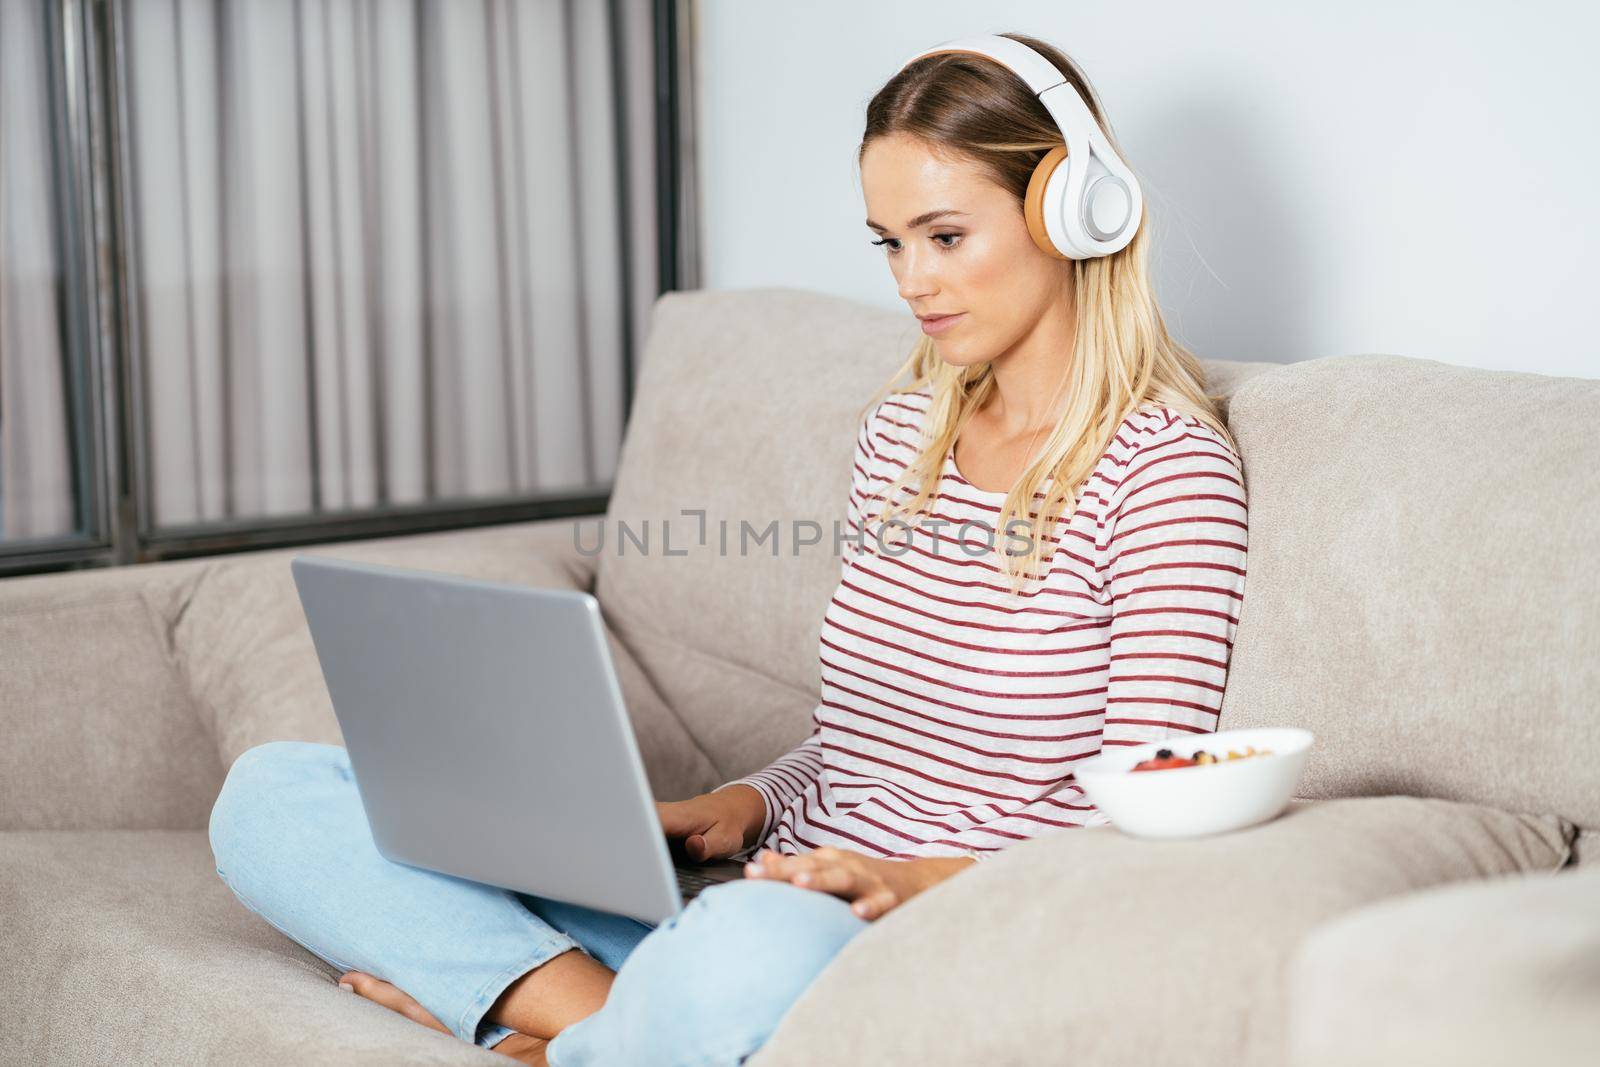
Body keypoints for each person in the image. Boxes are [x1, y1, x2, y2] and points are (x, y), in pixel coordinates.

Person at [207, 30, 1248, 1067]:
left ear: (1073, 208)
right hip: (760, 891)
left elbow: (1138, 826)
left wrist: (910, 879)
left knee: (752, 949)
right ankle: (614, 1023)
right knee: (273, 797)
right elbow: (861, 747)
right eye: (888, 242)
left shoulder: (1163, 470)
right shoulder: (904, 434)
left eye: (943, 235)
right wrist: (738, 805)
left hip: (896, 933)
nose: (911, 281)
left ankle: (551, 1023)